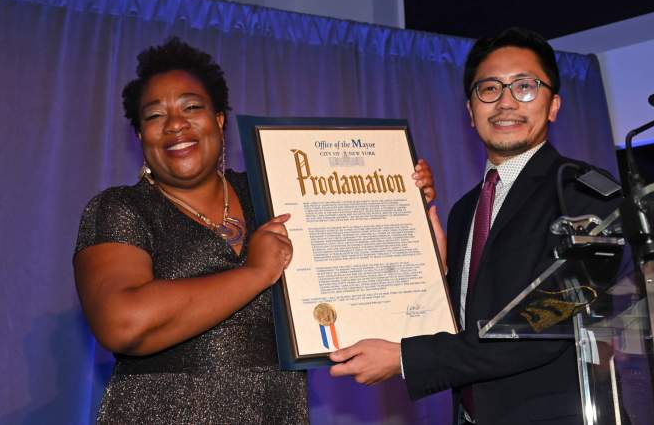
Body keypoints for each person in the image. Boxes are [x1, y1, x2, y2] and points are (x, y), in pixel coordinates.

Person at [73, 37, 436, 424]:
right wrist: (256, 273)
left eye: (192, 107)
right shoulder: (121, 208)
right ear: (140, 135)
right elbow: (122, 323)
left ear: (219, 119)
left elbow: (362, 277)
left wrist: (402, 206)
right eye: (154, 115)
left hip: (275, 410)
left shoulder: (275, 191)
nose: (175, 124)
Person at [329, 28, 621, 424]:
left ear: (553, 105)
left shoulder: (586, 195)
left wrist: (404, 359)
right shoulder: (466, 208)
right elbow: (470, 318)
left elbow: (544, 323)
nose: (505, 102)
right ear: (470, 111)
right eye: (489, 89)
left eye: (525, 87)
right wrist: (434, 268)